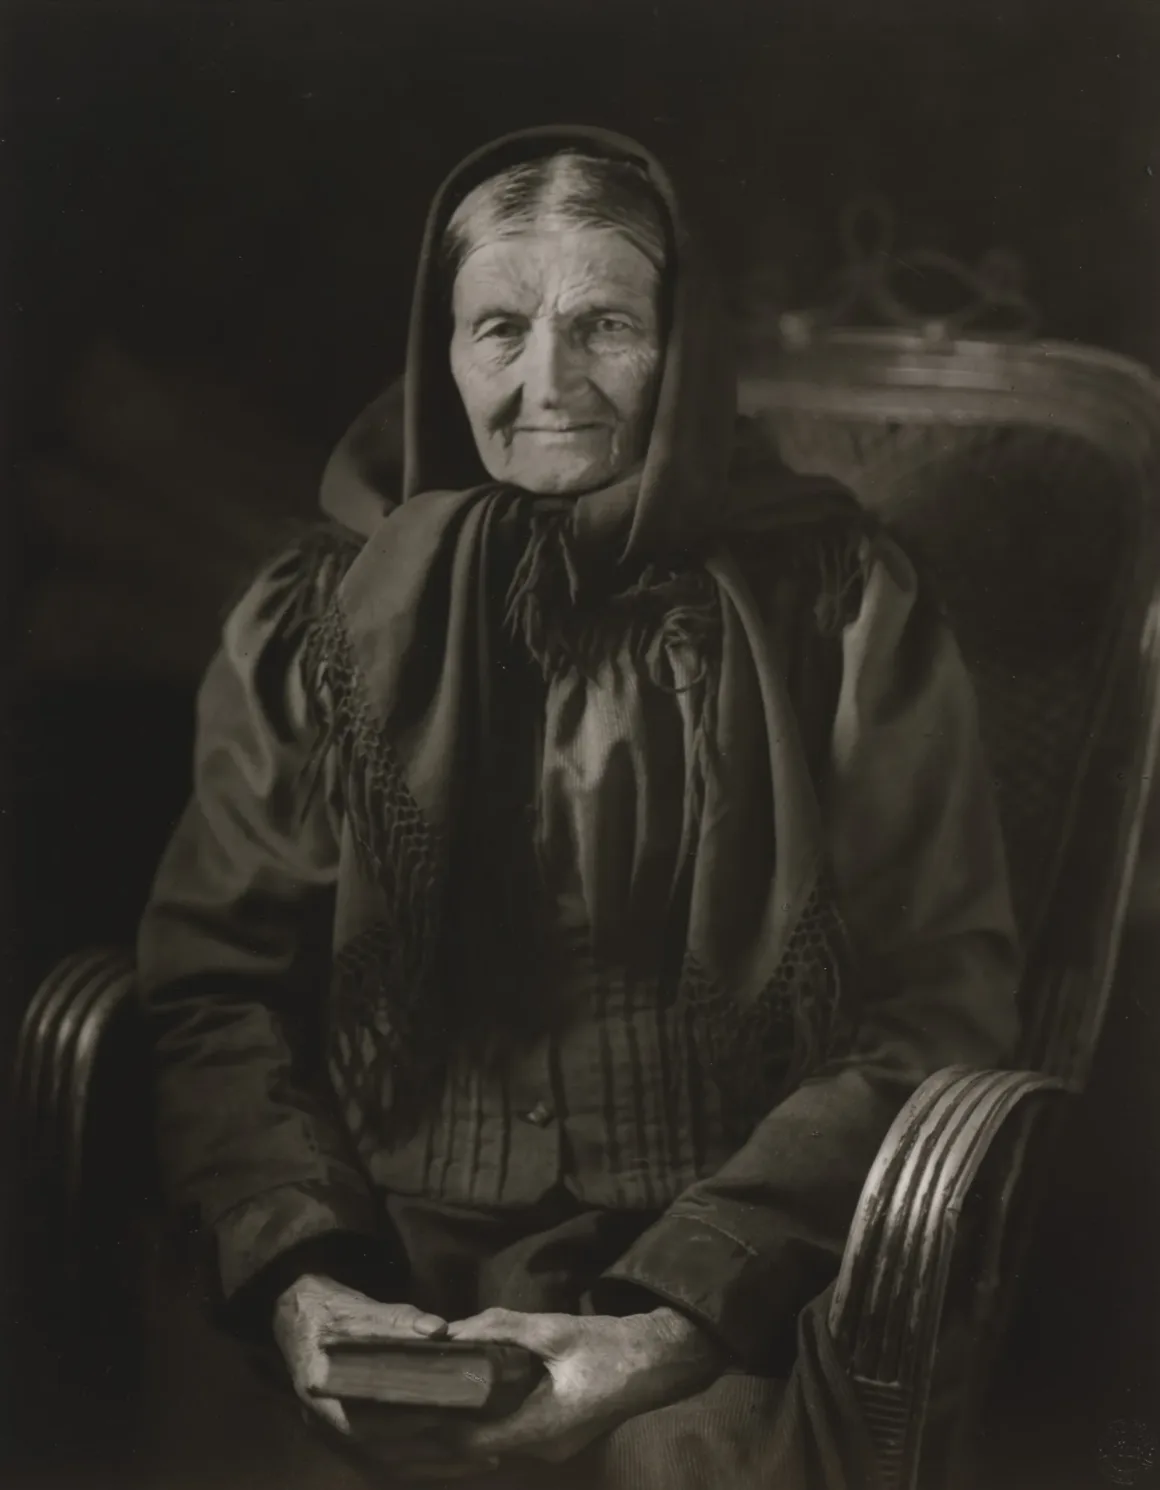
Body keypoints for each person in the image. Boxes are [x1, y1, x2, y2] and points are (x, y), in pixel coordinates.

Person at [137, 124, 1019, 1489]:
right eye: (500, 328)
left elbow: (938, 1003)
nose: (548, 383)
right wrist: (303, 1284)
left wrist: (672, 1324)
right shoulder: (314, 619)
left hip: (743, 1287)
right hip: (377, 1264)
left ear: (684, 347)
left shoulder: (840, 604)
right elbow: (216, 988)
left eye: (606, 324)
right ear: (442, 350)